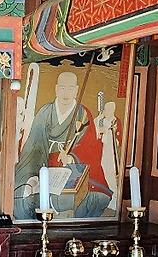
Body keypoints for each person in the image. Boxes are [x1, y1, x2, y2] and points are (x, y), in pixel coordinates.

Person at [13, 70, 111, 219]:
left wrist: (72, 158)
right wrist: (32, 177)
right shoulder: (45, 112)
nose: (66, 93)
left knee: (99, 198)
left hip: (73, 171)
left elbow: (91, 149)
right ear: (56, 89)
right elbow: (33, 147)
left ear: (76, 90)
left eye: (70, 88)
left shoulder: (83, 114)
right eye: (62, 88)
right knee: (20, 195)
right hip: (45, 168)